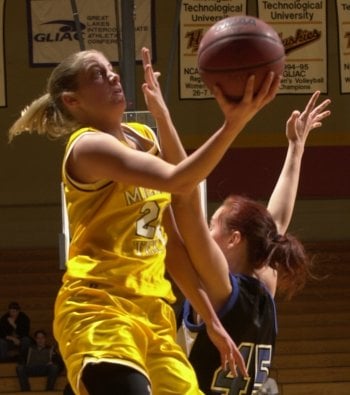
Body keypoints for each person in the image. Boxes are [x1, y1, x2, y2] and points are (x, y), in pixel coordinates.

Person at [8, 46, 280, 394]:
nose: (114, 76)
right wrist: (233, 124)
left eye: (111, 69)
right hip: (100, 309)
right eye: (98, 74)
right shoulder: (88, 147)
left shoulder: (144, 137)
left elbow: (173, 238)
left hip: (154, 315)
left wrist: (211, 321)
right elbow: (180, 180)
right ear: (73, 101)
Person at [170, 91, 331, 394]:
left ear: (233, 239)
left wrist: (164, 165)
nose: (206, 228)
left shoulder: (222, 287)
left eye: (213, 223)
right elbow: (278, 221)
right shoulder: (264, 284)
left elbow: (186, 205)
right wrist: (296, 147)